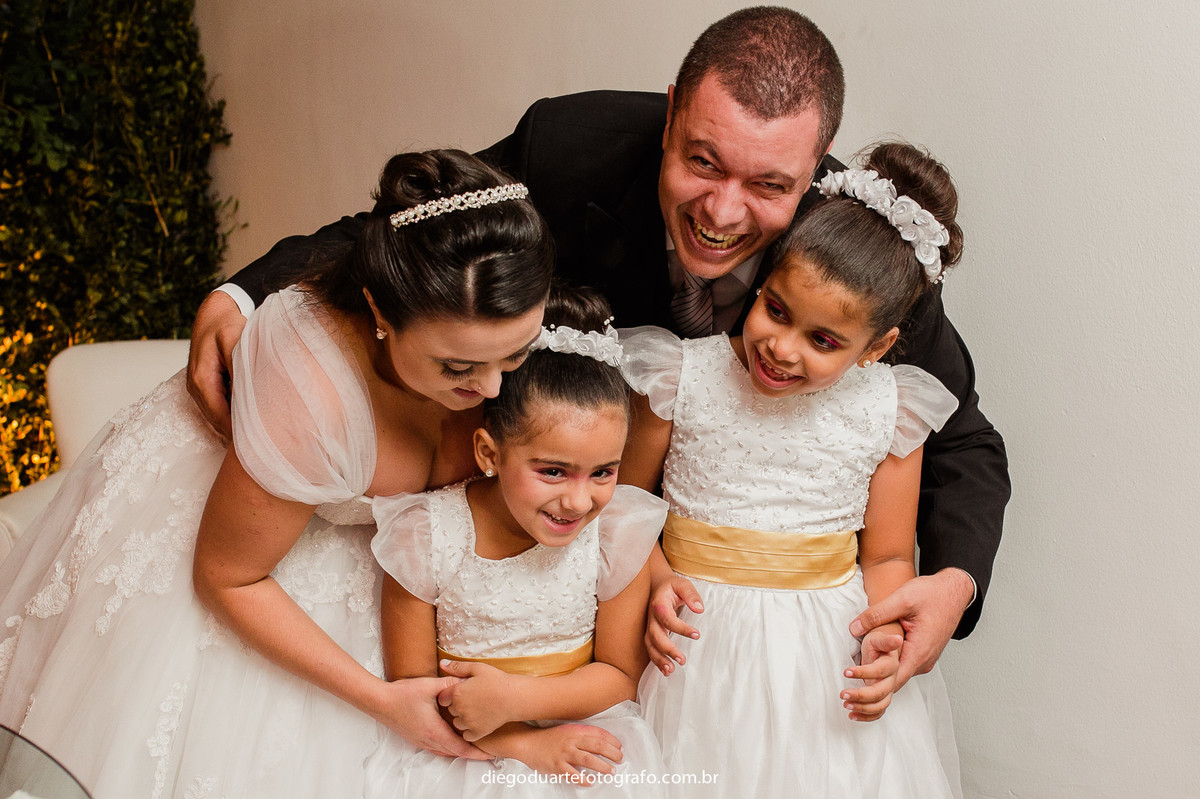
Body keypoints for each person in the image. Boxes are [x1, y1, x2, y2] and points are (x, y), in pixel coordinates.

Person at [186, 6, 1008, 688]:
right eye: (703, 161)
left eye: (769, 186)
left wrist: (954, 582)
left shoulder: (858, 247)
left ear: (814, 170)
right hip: (550, 555)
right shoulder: (571, 144)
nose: (722, 212)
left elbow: (964, 436)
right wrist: (241, 293)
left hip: (725, 627)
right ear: (671, 113)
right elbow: (413, 235)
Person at [0, 149, 554, 798]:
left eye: (514, 355)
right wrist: (382, 699)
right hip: (237, 545)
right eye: (456, 368)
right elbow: (227, 577)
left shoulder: (494, 302)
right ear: (380, 315)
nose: (492, 388)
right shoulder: (313, 395)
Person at [621, 142, 964, 797]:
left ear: (877, 347)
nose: (781, 348)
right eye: (776, 310)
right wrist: (657, 577)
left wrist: (887, 635)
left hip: (824, 655)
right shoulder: (681, 377)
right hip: (691, 641)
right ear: (763, 281)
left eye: (823, 340)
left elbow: (889, 556)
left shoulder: (891, 410)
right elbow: (622, 506)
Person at [365, 286, 668, 797]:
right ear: (490, 453)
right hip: (458, 752)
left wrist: (516, 700)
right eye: (553, 471)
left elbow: (621, 674)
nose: (579, 501)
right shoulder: (426, 535)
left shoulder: (615, 532)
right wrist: (522, 744)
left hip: (585, 736)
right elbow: (413, 695)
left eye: (603, 472)